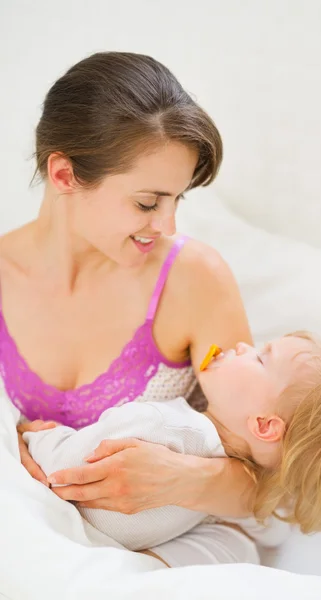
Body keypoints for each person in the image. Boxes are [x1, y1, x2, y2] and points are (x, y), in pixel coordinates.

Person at [0, 52, 258, 563]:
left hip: (175, 548)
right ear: (64, 174)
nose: (167, 226)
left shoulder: (193, 280)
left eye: (177, 200)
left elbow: (266, 478)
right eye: (147, 203)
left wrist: (182, 478)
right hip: (32, 539)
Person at [22, 331, 321, 568]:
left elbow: (59, 470)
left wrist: (32, 434)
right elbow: (271, 530)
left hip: (53, 523)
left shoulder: (164, 426)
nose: (243, 344)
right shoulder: (226, 506)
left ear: (263, 425)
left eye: (260, 357)